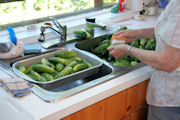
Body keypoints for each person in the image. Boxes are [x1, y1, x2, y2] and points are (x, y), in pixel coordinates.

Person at [108, 0, 180, 119]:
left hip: (172, 98)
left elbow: (168, 62)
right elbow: (170, 31)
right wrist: (137, 34)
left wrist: (128, 50)